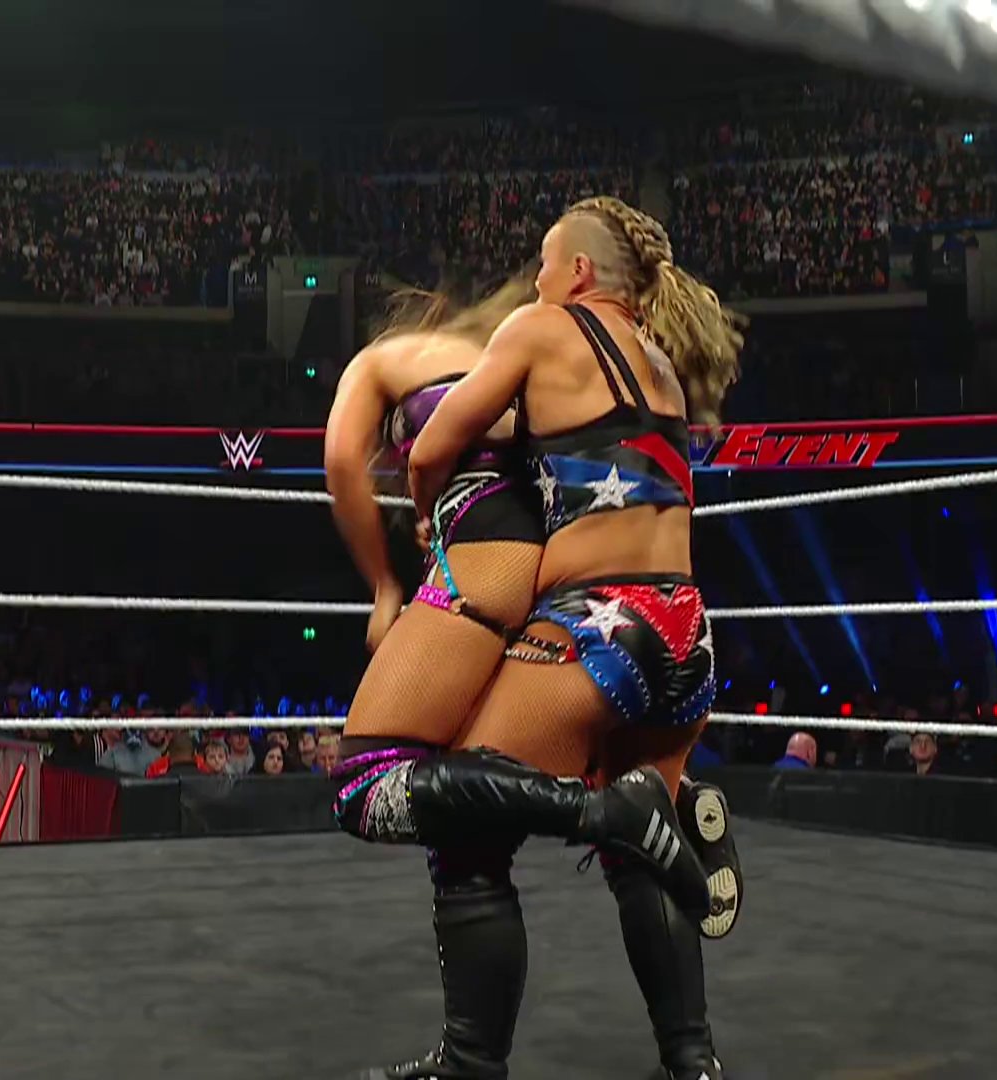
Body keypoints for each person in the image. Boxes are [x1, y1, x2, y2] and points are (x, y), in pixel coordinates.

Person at [369, 195, 745, 1080]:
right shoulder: (661, 359)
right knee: (638, 852)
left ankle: (471, 1063)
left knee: (468, 823)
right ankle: (692, 1063)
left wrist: (428, 520)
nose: (534, 280)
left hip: (597, 625)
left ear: (578, 271)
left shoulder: (542, 329)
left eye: (543, 263)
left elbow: (431, 448)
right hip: (687, 632)